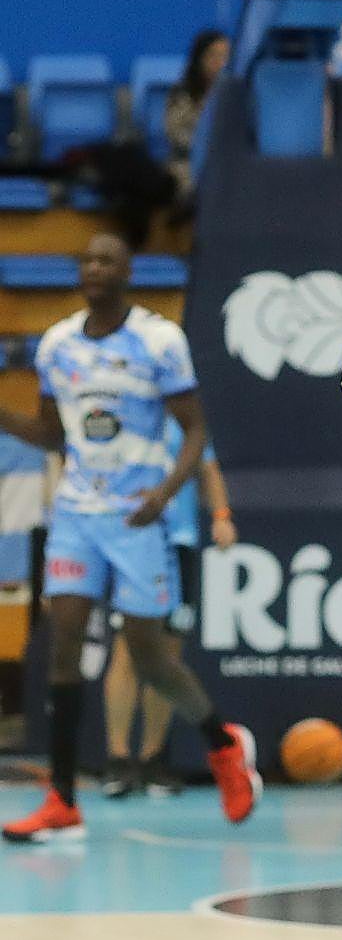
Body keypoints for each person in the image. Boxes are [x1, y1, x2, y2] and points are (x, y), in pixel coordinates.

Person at [0, 234, 261, 841]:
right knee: (64, 641)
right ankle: (62, 799)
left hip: (139, 517)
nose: (95, 267)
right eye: (86, 259)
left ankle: (223, 746)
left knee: (149, 655)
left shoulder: (159, 341)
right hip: (75, 516)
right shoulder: (58, 344)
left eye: (107, 260)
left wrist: (165, 495)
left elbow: (196, 431)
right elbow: (50, 432)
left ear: (127, 272)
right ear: (78, 273)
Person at [101, 423, 237, 797]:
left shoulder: (185, 423)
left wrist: (221, 517)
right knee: (127, 651)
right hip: (133, 543)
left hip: (179, 547)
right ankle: (116, 761)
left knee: (168, 656)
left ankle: (152, 760)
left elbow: (207, 470)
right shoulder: (125, 418)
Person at [164, 30, 229, 203]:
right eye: (213, 56)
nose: (220, 63)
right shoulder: (182, 94)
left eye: (225, 56)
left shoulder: (234, 96)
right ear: (199, 59)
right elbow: (175, 135)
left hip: (225, 163)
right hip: (187, 164)